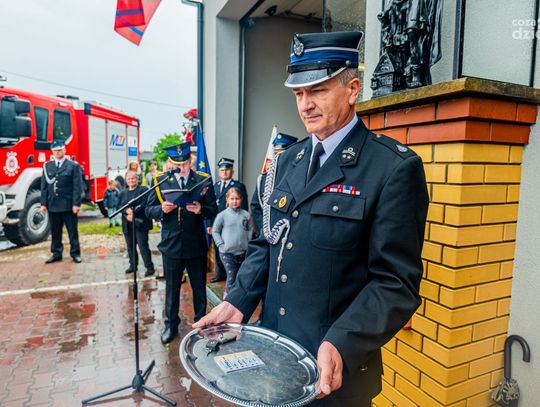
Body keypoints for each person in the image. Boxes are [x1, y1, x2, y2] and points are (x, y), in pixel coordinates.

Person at [194, 31, 429, 406]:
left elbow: (396, 283)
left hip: (334, 374)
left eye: (317, 90)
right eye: (298, 93)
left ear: (352, 90)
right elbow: (266, 243)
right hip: (274, 356)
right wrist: (238, 300)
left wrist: (343, 341)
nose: (305, 105)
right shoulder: (287, 161)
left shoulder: (392, 169)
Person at [146, 142, 217, 344]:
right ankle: (171, 325)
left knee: (199, 287)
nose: (182, 167)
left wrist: (201, 210)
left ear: (190, 161)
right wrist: (161, 209)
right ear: (170, 163)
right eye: (177, 164)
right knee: (172, 288)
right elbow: (148, 210)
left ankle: (201, 323)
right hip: (171, 244)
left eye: (185, 163)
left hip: (195, 243)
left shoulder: (202, 179)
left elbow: (214, 208)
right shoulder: (160, 180)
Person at [40, 140, 83, 264]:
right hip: (53, 204)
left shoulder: (73, 166)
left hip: (68, 205)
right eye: (55, 150)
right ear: (52, 152)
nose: (57, 152)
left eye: (60, 150)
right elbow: (44, 186)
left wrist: (76, 204)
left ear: (64, 150)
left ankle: (75, 253)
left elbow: (77, 186)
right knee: (55, 232)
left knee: (72, 231)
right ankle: (56, 253)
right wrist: (43, 204)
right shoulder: (47, 166)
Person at [208, 157, 248, 283]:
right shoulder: (215, 187)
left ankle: (233, 276)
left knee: (234, 250)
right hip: (218, 224)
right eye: (222, 170)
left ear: (232, 171)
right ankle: (220, 274)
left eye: (227, 169)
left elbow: (244, 207)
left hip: (233, 224)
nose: (224, 172)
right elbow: (210, 207)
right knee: (218, 248)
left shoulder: (238, 186)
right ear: (219, 172)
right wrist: (209, 224)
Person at [250, 133, 298, 236]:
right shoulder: (263, 179)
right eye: (275, 153)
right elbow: (256, 207)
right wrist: (264, 231)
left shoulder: (299, 176)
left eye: (281, 154)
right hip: (267, 234)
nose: (277, 157)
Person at [211, 188, 251, 298]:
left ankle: (238, 297)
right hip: (226, 252)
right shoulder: (222, 215)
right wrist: (220, 244)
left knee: (240, 275)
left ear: (241, 199)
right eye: (232, 198)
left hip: (242, 251)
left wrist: (248, 242)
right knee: (232, 274)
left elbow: (249, 229)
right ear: (227, 200)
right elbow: (215, 231)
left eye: (237, 198)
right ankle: (228, 297)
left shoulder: (246, 215)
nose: (234, 201)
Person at [119, 170, 155, 277]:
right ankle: (133, 266)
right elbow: (119, 206)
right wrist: (126, 211)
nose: (131, 180)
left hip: (140, 223)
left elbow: (145, 203)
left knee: (143, 246)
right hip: (127, 223)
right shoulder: (123, 193)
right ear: (126, 180)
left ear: (137, 179)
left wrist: (134, 212)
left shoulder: (143, 190)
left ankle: (149, 267)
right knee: (130, 246)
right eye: (129, 179)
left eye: (133, 178)